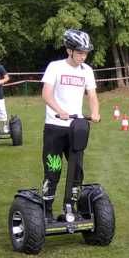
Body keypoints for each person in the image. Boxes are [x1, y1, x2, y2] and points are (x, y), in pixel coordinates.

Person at [40, 29, 101, 218]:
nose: (83, 56)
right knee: (53, 168)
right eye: (80, 52)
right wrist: (59, 111)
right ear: (69, 50)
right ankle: (46, 210)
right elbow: (46, 94)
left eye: (85, 53)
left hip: (77, 128)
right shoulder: (55, 67)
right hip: (55, 126)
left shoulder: (87, 71)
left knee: (77, 170)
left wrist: (95, 112)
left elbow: (92, 95)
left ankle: (70, 208)